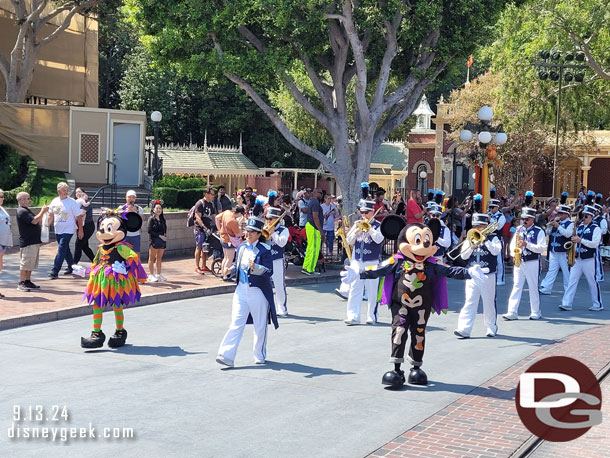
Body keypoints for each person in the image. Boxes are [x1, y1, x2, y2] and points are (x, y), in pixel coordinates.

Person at [341, 219, 487, 389]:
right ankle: (396, 369)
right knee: (399, 332)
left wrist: (469, 272)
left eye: (426, 241)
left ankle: (416, 367)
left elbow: (450, 270)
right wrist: (359, 273)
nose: (422, 246)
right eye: (417, 241)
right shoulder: (397, 260)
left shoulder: (432, 264)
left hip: (422, 308)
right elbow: (379, 269)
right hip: (400, 306)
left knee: (419, 334)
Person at [216, 201, 278, 367]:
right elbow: (238, 266)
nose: (248, 234)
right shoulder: (242, 247)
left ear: (258, 234)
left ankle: (259, 354)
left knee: (259, 325)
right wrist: (230, 270)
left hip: (258, 292)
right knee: (236, 322)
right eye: (247, 230)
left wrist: (256, 268)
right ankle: (226, 355)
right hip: (241, 291)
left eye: (251, 232)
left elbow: (269, 271)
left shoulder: (265, 250)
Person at [80, 208, 147, 349]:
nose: (105, 232)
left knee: (117, 306)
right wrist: (86, 271)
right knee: (97, 305)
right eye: (103, 228)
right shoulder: (101, 248)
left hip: (116, 281)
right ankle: (96, 334)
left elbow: (133, 257)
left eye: (109, 228)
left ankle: (119, 331)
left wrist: (126, 268)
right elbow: (96, 262)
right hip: (101, 281)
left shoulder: (121, 247)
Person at [455, 196, 502, 338]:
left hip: (488, 273)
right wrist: (471, 245)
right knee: (470, 300)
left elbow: (496, 251)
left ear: (486, 226)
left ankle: (491, 327)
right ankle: (464, 328)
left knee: (488, 301)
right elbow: (463, 257)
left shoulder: (493, 238)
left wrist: (485, 240)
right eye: (475, 227)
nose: (477, 229)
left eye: (480, 226)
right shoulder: (471, 238)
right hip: (472, 273)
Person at [503, 192, 546, 321]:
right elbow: (512, 244)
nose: (524, 221)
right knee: (516, 286)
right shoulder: (519, 229)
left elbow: (541, 248)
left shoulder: (539, 231)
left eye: (527, 219)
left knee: (533, 286)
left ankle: (535, 311)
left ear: (533, 219)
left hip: (532, 261)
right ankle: (512, 311)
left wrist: (527, 244)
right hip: (519, 261)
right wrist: (513, 253)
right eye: (523, 218)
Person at [344, 199, 384, 325]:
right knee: (355, 288)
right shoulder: (357, 224)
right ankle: (353, 316)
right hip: (357, 261)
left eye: (367, 213)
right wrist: (356, 231)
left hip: (372, 262)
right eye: (362, 212)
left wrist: (370, 229)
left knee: (372, 291)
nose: (364, 215)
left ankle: (371, 316)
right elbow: (349, 241)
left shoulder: (378, 225)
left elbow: (379, 239)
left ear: (373, 212)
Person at [560, 204, 603, 311]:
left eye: (587, 216)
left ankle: (597, 304)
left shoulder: (595, 228)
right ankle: (566, 303)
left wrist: (581, 240)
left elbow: (595, 244)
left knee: (592, 282)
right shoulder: (579, 227)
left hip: (589, 258)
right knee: (572, 280)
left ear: (592, 217)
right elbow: (575, 240)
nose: (584, 218)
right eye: (583, 215)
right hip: (577, 258)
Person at [539, 193, 573, 295]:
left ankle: (568, 289)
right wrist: (550, 225)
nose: (559, 215)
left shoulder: (569, 224)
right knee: (552, 270)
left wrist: (558, 226)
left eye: (561, 214)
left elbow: (568, 234)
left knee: (566, 271)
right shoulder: (557, 221)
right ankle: (546, 287)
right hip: (554, 250)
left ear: (567, 214)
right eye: (559, 213)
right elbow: (548, 233)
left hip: (563, 251)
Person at [48, 182, 83, 279]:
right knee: (65, 249)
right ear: (58, 191)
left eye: (67, 190)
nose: (66, 192)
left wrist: (80, 230)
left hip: (68, 229)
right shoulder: (54, 201)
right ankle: (72, 266)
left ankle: (54, 271)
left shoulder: (72, 202)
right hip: (58, 229)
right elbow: (51, 215)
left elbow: (79, 217)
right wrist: (46, 225)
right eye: (64, 190)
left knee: (61, 249)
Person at [15, 192, 49, 292]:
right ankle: (21, 283)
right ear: (20, 200)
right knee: (25, 263)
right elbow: (34, 221)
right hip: (28, 242)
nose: (27, 201)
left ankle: (27, 281)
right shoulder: (21, 211)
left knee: (31, 263)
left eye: (28, 199)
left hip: (33, 241)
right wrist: (42, 211)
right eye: (25, 199)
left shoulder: (26, 210)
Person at [264, 194, 290, 317]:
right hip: (265, 260)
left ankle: (282, 309)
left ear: (276, 219)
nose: (268, 221)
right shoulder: (264, 228)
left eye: (271, 219)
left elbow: (281, 243)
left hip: (277, 260)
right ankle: (266, 307)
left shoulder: (284, 230)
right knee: (264, 286)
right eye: (267, 219)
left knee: (279, 286)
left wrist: (273, 233)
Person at [215, 204, 245, 281]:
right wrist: (245, 232)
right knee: (229, 259)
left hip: (223, 237)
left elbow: (217, 217)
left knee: (225, 258)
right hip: (229, 241)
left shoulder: (227, 212)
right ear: (239, 213)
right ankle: (225, 276)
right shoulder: (233, 221)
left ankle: (222, 273)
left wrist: (219, 229)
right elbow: (238, 234)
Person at [302, 188, 324, 275]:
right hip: (314, 227)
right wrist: (320, 230)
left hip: (310, 226)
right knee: (314, 249)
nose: (321, 195)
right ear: (315, 193)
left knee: (310, 248)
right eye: (320, 193)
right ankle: (310, 269)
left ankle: (306, 267)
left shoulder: (312, 201)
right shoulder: (315, 202)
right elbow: (315, 217)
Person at [194, 187, 216, 274]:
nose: (213, 196)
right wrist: (203, 227)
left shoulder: (211, 204)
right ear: (206, 194)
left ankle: (204, 265)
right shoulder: (200, 203)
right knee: (199, 247)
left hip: (209, 229)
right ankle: (197, 266)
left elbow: (213, 216)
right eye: (212, 194)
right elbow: (197, 217)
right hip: (200, 229)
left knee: (205, 248)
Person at [488, 188, 507, 286]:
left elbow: (499, 226)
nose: (491, 209)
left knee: (499, 261)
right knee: (490, 259)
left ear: (497, 207)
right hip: (489, 239)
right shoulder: (488, 215)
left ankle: (501, 278)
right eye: (490, 207)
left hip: (498, 239)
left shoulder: (501, 216)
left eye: (492, 207)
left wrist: (490, 219)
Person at [147, 200, 168, 282]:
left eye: (160, 208)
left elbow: (164, 229)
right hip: (154, 241)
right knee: (151, 258)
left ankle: (158, 274)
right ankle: (151, 274)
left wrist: (164, 237)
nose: (159, 210)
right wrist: (159, 236)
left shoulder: (163, 219)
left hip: (162, 241)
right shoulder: (151, 219)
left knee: (159, 258)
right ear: (153, 210)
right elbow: (149, 231)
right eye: (157, 208)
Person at [74, 188, 96, 264]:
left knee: (78, 245)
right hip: (80, 226)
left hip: (87, 227)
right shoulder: (76, 203)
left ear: (84, 193)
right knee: (84, 246)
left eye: (80, 192)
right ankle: (96, 262)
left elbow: (81, 213)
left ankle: (73, 265)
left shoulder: (86, 203)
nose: (78, 193)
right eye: (76, 192)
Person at [0, 189, 13, 298]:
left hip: (3, 241)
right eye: (0, 196)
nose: (2, 198)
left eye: (2, 196)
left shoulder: (2, 209)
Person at [593, 193, 607, 282]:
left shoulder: (602, 220)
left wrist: (595, 232)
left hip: (597, 241)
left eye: (594, 211)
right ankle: (594, 274)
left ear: (598, 211)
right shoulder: (591, 219)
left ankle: (600, 275)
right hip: (590, 241)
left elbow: (604, 231)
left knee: (597, 259)